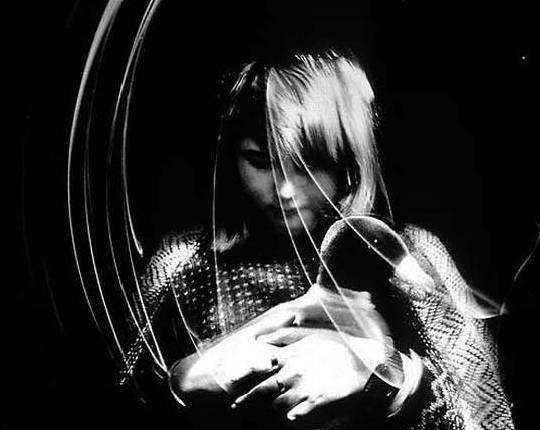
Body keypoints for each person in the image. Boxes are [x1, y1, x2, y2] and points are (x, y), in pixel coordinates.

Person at [119, 49, 514, 430]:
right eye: (260, 162)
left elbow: (491, 419)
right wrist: (179, 384)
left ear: (349, 158)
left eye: (310, 165)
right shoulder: (183, 259)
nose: (285, 191)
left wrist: (393, 382)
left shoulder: (405, 253)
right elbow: (110, 407)